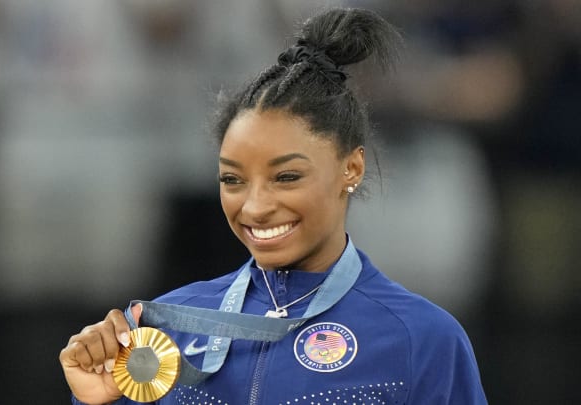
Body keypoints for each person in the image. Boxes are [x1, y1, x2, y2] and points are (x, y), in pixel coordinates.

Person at [59, 7, 487, 405]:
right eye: (233, 180)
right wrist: (98, 400)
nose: (256, 206)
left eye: (286, 177)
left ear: (351, 168)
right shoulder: (163, 332)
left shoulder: (422, 339)